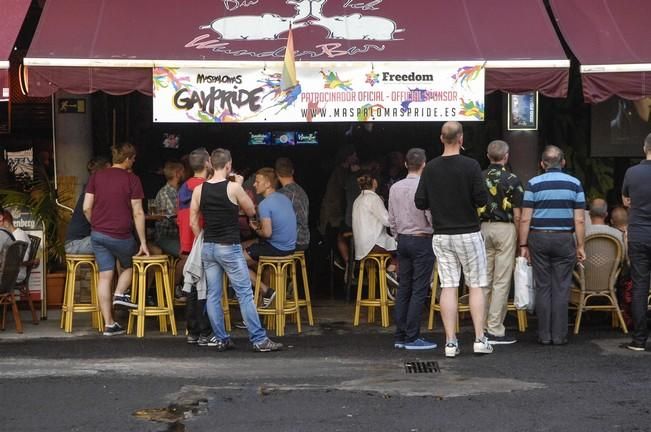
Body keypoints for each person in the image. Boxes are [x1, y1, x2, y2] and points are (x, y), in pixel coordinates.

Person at [190, 148, 282, 352]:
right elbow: (250, 210)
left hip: (209, 246)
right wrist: (239, 185)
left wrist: (202, 239)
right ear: (229, 165)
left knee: (213, 294)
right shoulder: (233, 188)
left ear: (210, 165)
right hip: (228, 247)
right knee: (244, 294)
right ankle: (259, 339)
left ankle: (222, 338)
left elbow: (193, 221)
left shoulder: (199, 190)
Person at [414, 121, 493, 357]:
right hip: (468, 231)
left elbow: (420, 202)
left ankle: (450, 342)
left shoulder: (430, 168)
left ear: (441, 138)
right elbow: (482, 200)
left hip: (442, 235)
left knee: (448, 285)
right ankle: (479, 339)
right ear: (461, 138)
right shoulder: (470, 166)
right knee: (476, 284)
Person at [519, 145, 586, 346]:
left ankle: (544, 335)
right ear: (563, 162)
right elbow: (580, 220)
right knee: (561, 286)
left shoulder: (533, 184)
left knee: (543, 286)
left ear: (542, 164)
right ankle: (559, 336)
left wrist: (523, 244)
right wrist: (580, 245)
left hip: (538, 238)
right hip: (564, 239)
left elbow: (525, 219)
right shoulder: (575, 184)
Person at [83, 142, 149, 336]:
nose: (134, 161)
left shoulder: (96, 176)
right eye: (133, 158)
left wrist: (96, 223)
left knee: (105, 276)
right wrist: (143, 242)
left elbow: (86, 207)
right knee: (129, 264)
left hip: (98, 234)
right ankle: (120, 294)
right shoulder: (132, 179)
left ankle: (109, 324)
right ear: (127, 159)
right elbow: (138, 212)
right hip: (121, 235)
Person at [388, 148, 435, 350]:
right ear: (424, 164)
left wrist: (398, 236)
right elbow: (430, 215)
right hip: (422, 239)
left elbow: (391, 218)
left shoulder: (395, 188)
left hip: (403, 240)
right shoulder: (426, 186)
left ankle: (400, 335)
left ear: (406, 164)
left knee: (404, 288)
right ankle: (412, 336)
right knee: (419, 289)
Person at [478, 140, 524, 345]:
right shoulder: (513, 179)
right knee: (502, 280)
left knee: (483, 279)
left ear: (488, 156)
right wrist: (522, 240)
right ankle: (495, 329)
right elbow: (518, 214)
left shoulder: (478, 177)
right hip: (505, 228)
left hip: (482, 228)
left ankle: (482, 326)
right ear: (506, 157)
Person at [244, 168, 297, 306]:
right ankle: (261, 301)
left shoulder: (264, 204)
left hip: (277, 248)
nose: (254, 184)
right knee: (246, 250)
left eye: (257, 181)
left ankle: (265, 290)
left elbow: (267, 234)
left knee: (234, 261)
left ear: (268, 184)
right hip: (290, 248)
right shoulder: (284, 198)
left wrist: (256, 228)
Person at [177, 148, 212, 345]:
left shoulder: (183, 187)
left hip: (186, 240)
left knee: (191, 285)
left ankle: (192, 330)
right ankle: (205, 330)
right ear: (208, 163)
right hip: (202, 239)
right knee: (205, 287)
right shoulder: (206, 188)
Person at [621, 133, 651, 351]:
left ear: (644, 147)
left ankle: (639, 340)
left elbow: (626, 200)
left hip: (639, 233)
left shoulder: (632, 172)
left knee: (640, 286)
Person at [353, 169, 397, 284]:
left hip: (361, 246)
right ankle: (391, 270)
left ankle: (390, 273)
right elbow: (387, 221)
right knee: (405, 248)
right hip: (373, 244)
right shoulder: (374, 198)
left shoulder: (357, 200)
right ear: (375, 182)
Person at [64, 157, 111, 254]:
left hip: (81, 242)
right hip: (76, 243)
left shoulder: (92, 188)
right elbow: (87, 209)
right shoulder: (92, 191)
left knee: (116, 242)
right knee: (117, 243)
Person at [275, 157, 310, 251]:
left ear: (277, 174)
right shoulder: (302, 191)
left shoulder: (280, 194)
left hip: (292, 241)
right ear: (293, 172)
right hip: (304, 239)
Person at [152, 161, 184, 257]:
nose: (185, 174)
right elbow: (176, 219)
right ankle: (177, 272)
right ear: (177, 174)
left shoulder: (179, 190)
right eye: (183, 171)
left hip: (178, 236)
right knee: (187, 254)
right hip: (166, 237)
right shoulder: (166, 193)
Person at [1, 210, 31, 284]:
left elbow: (23, 259)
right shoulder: (6, 236)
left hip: (15, 273)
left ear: (6, 222)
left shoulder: (19, 235)